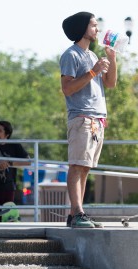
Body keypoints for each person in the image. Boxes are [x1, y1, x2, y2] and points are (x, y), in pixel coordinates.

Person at [60, 12, 117, 228]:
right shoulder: (71, 55)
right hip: (81, 118)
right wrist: (93, 72)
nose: (97, 29)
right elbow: (67, 88)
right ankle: (77, 214)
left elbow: (110, 84)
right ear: (83, 27)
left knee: (84, 167)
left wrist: (112, 58)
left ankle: (77, 213)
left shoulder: (93, 56)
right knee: (76, 166)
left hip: (97, 119)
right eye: (94, 25)